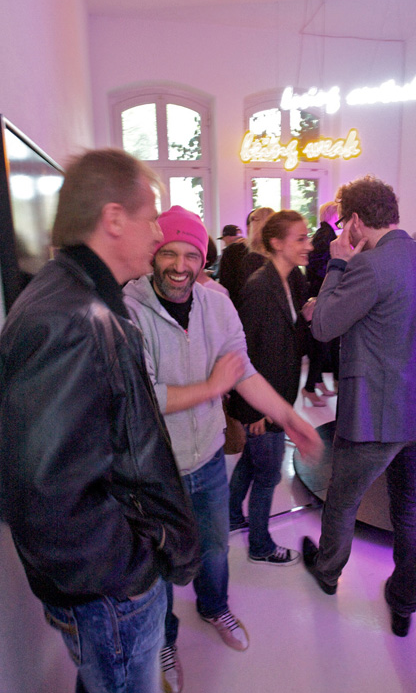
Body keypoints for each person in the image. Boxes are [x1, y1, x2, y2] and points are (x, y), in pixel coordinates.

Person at [0, 149, 199, 693]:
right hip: (110, 594)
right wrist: (136, 569)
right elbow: (47, 496)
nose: (158, 232)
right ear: (113, 219)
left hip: (106, 588)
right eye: (150, 217)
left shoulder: (79, 300)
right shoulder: (70, 319)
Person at [123, 206, 321, 693]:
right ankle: (164, 638)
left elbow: (244, 372)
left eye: (191, 254)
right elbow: (142, 395)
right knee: (159, 562)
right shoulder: (128, 310)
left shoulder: (217, 306)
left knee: (214, 547)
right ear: (153, 254)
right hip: (155, 468)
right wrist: (213, 387)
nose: (180, 265)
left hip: (209, 456)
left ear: (203, 258)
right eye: (169, 253)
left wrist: (290, 418)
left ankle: (214, 607)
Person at [302, 175, 416, 638]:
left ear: (354, 220)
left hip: (378, 413)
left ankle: (328, 572)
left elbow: (324, 326)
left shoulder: (367, 266)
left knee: (343, 499)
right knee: (409, 506)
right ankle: (404, 601)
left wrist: (337, 264)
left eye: (342, 224)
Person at [228, 210, 313, 564]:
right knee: (267, 475)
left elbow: (285, 341)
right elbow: (244, 352)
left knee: (252, 462)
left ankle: (231, 515)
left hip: (276, 396)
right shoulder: (260, 287)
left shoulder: (288, 281)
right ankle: (260, 546)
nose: (309, 245)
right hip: (263, 403)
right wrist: (254, 411)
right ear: (277, 243)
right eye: (300, 239)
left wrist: (304, 318)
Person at [302, 201, 340, 405]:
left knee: (325, 343)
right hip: (322, 296)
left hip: (321, 294)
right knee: (323, 343)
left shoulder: (324, 234)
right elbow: (322, 269)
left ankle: (316, 382)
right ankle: (310, 386)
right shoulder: (327, 237)